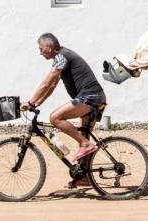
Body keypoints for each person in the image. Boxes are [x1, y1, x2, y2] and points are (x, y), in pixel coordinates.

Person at [20, 33, 107, 186]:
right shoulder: (63, 57)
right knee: (83, 134)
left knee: (55, 118)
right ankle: (84, 177)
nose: (40, 53)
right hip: (96, 97)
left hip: (90, 96)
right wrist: (36, 103)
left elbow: (46, 83)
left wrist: (31, 102)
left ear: (48, 47)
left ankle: (86, 144)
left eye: (41, 49)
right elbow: (52, 86)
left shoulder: (61, 56)